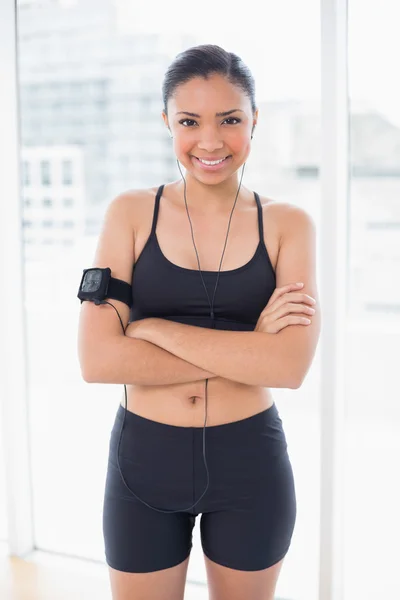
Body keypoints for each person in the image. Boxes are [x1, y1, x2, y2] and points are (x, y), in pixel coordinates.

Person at [78, 43, 321, 600]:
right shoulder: (130, 213)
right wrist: (249, 345)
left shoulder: (288, 225)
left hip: (250, 467)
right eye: (190, 121)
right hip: (144, 465)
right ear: (167, 122)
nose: (210, 141)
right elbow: (98, 360)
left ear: (254, 120)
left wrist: (152, 328)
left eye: (230, 120)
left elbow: (287, 366)